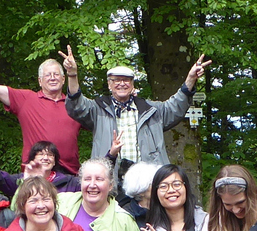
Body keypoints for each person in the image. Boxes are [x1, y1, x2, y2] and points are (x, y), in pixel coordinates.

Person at [0, 42, 83, 177]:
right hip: (34, 172)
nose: (53, 77)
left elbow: (100, 124)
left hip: (69, 174)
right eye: (48, 75)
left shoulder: (76, 105)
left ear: (63, 79)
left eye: (56, 74)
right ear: (40, 81)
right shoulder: (26, 99)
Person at [63, 49, 207, 164]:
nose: (121, 83)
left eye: (126, 80)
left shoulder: (151, 110)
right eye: (116, 80)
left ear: (132, 84)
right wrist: (72, 75)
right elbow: (77, 105)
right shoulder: (98, 109)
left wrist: (190, 79)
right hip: (110, 180)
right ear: (109, 84)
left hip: (147, 181)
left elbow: (175, 106)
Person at [0, 141, 79, 198]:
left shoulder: (69, 182)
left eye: (50, 155)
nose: (45, 158)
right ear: (33, 159)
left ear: (54, 162)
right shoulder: (21, 180)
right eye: (41, 154)